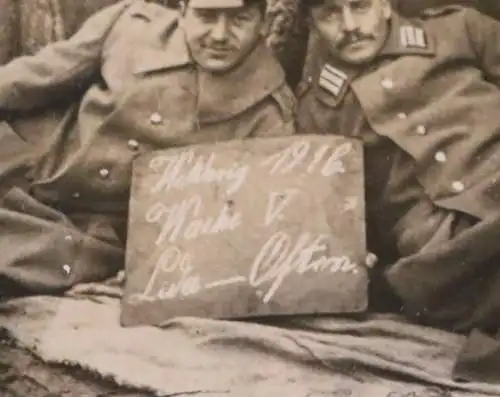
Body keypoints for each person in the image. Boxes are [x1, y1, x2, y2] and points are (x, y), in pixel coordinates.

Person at [0, 0, 295, 297]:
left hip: (95, 236)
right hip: (33, 176)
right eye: (205, 16)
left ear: (263, 23)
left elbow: (240, 222)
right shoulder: (131, 26)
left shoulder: (268, 112)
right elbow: (32, 78)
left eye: (239, 19)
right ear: (182, 12)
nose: (219, 34)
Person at [296, 0, 500, 334]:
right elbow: (334, 220)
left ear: (385, 5)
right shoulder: (315, 111)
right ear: (311, 23)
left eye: (360, 6)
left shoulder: (458, 30)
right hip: (446, 255)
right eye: (330, 13)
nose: (348, 25)